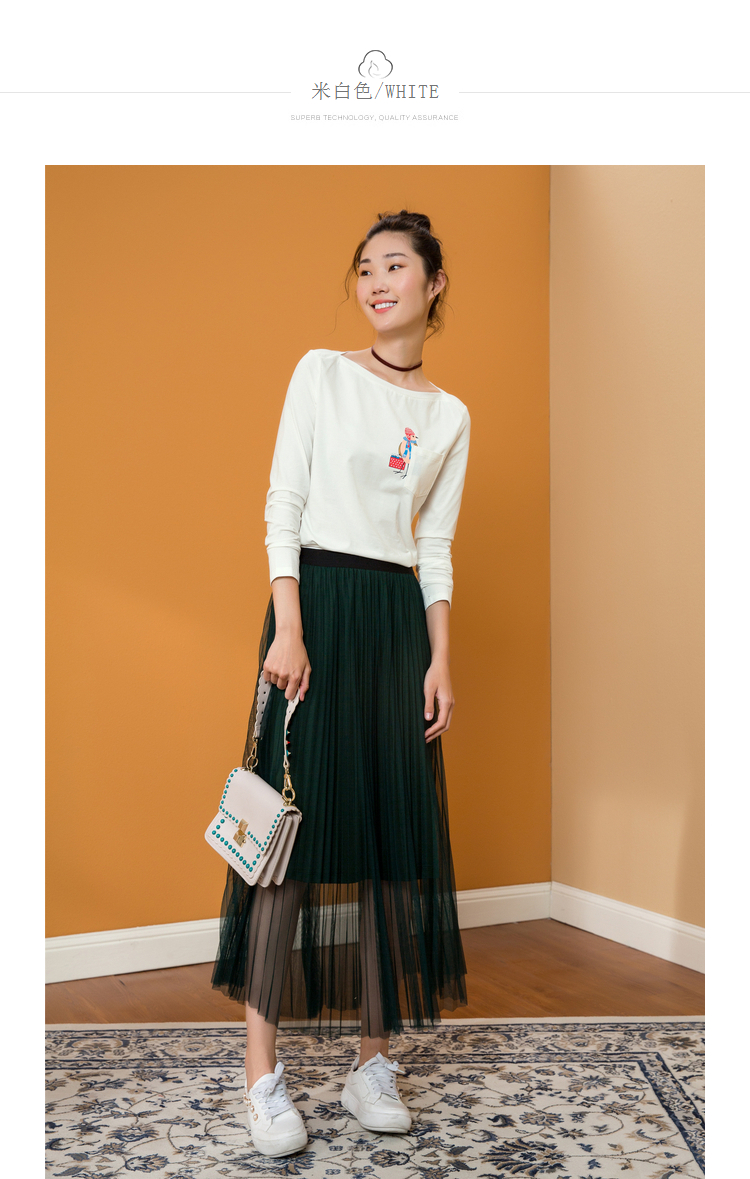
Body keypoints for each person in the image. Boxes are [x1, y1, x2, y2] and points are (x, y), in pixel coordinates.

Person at [211, 209, 471, 1158]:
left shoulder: (449, 416)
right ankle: (262, 1076)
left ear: (432, 284)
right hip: (315, 611)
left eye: (395, 266)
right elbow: (284, 499)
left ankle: (371, 1062)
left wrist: (441, 657)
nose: (376, 282)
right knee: (283, 843)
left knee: (386, 847)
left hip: (395, 626)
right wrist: (289, 624)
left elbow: (433, 545)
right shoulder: (319, 372)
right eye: (365, 268)